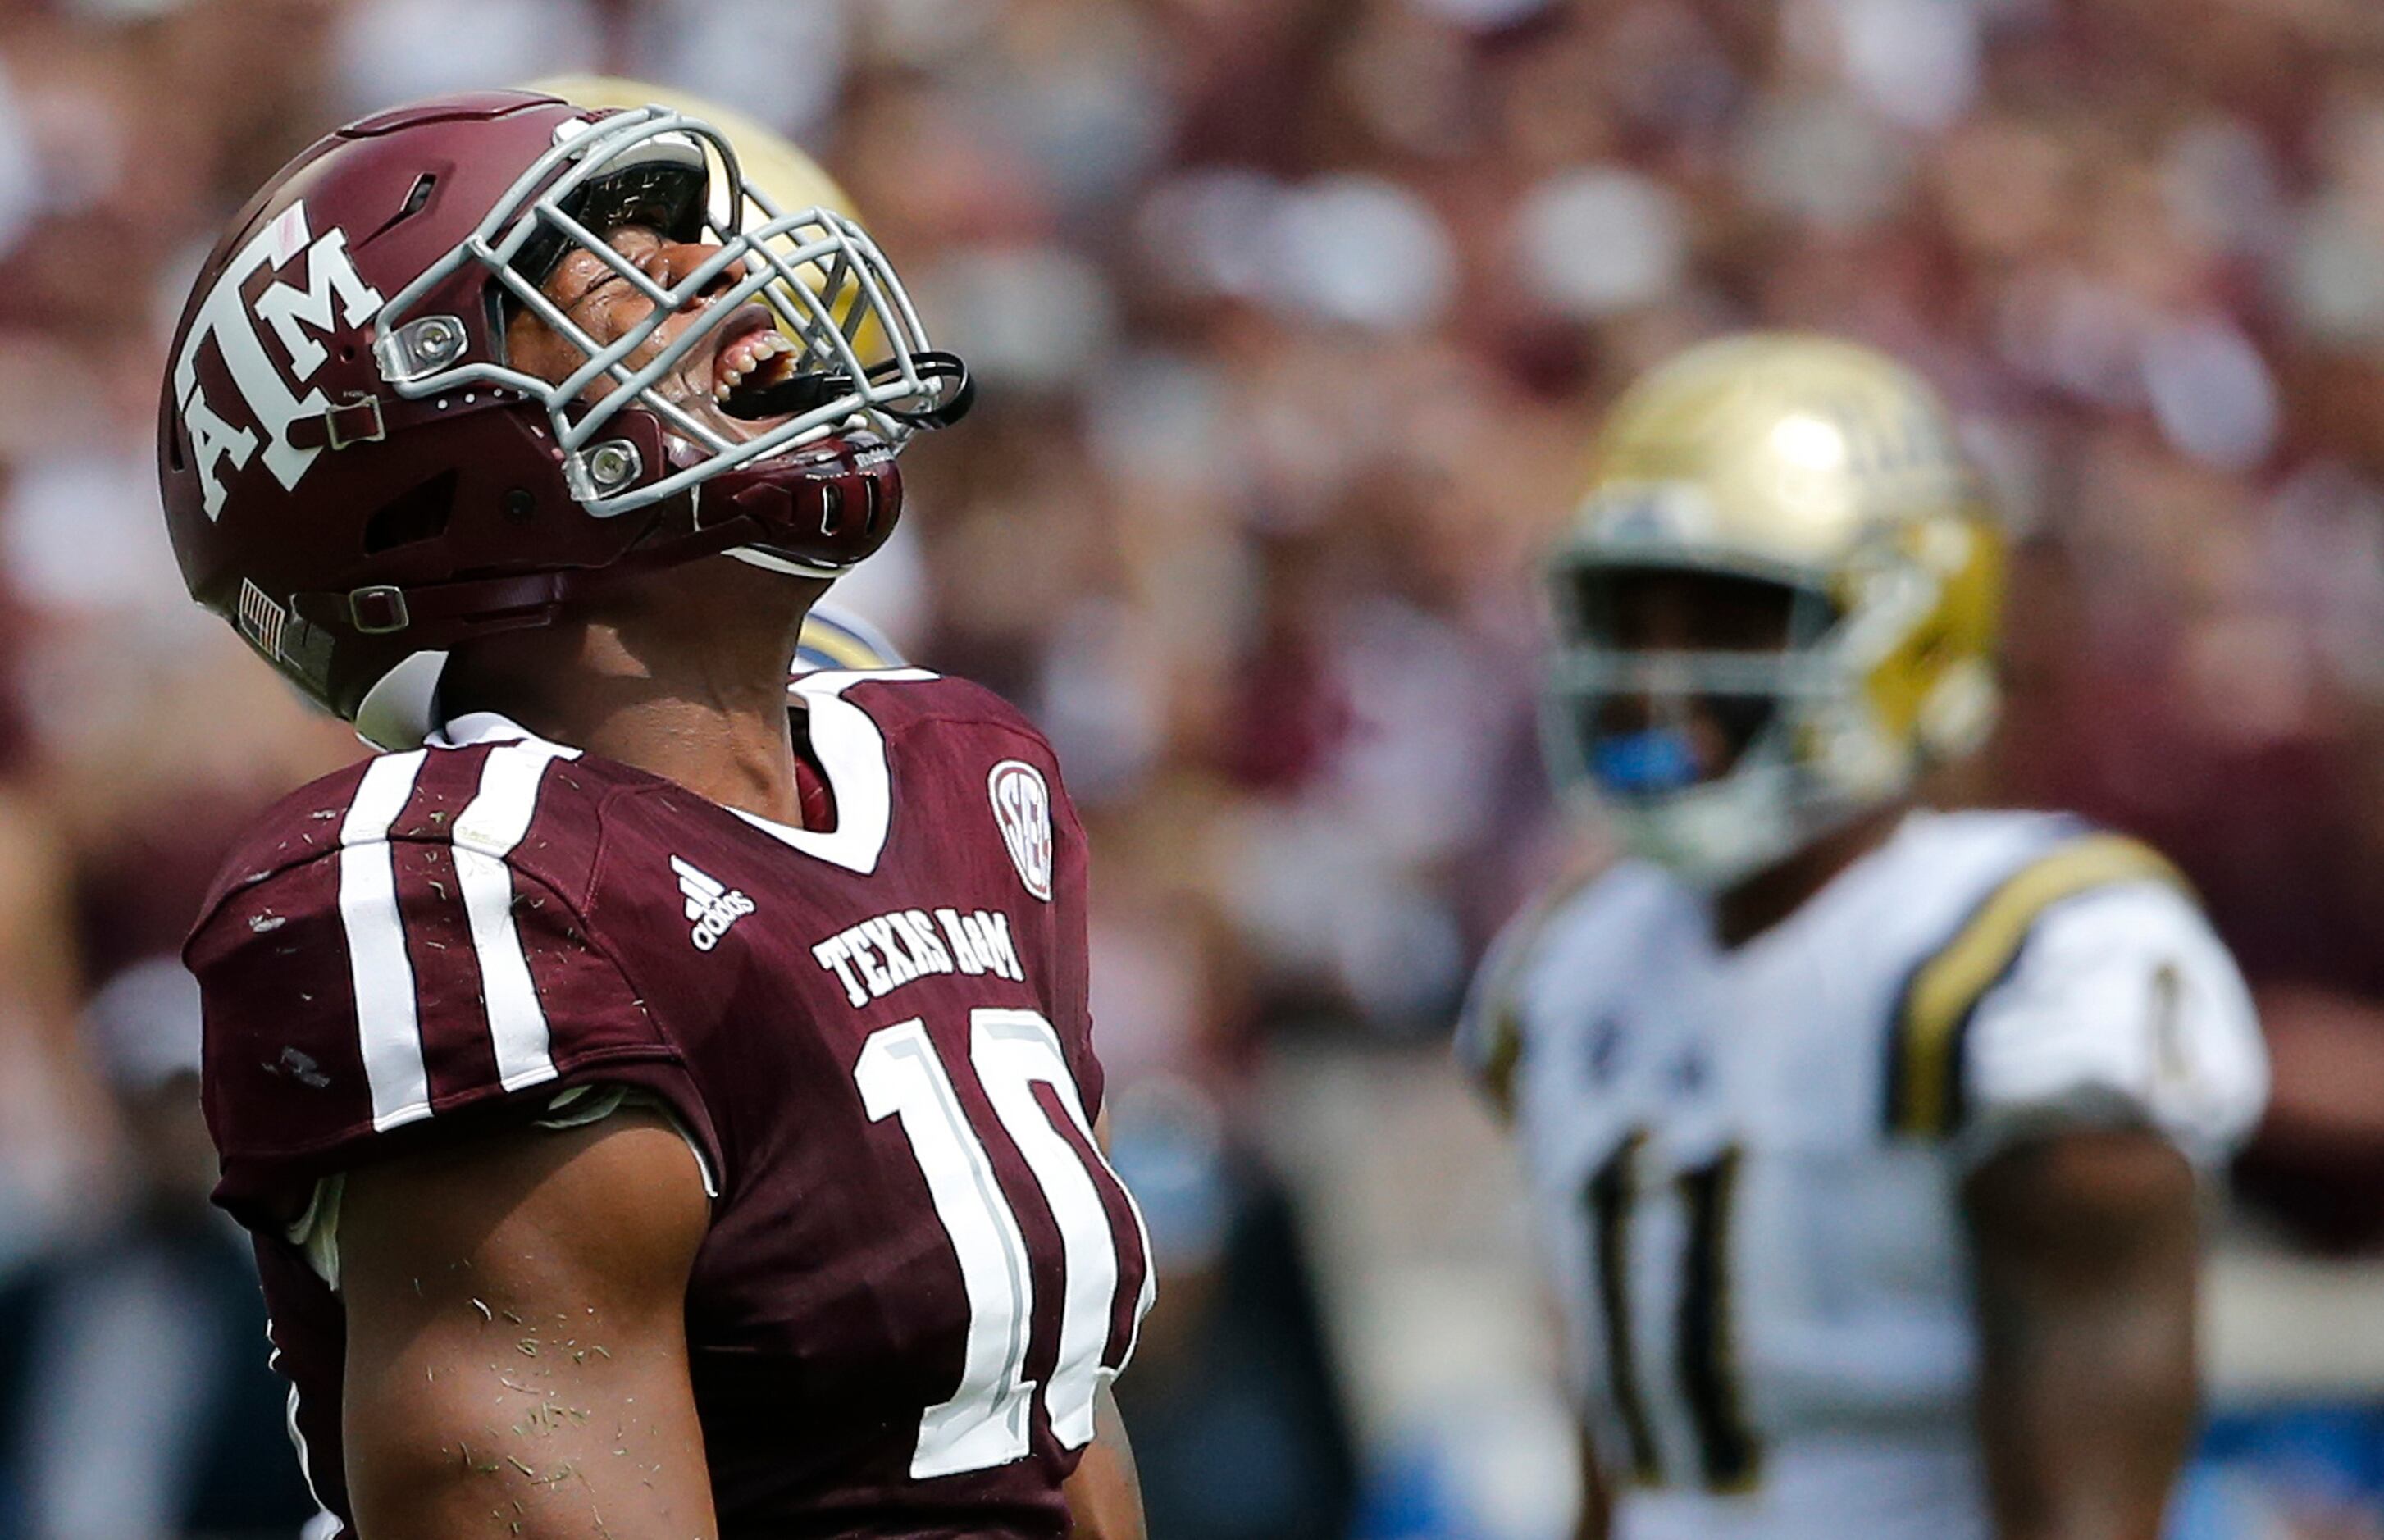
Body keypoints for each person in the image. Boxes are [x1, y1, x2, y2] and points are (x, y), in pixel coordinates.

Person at [158, 85, 1151, 1540]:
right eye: (610, 271)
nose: (723, 278)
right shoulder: (470, 882)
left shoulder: (959, 768)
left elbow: (1051, 1424)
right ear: (413, 454)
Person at [1457, 335, 2268, 1540]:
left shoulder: (2028, 962)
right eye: (1630, 613)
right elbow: (1626, 1439)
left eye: (1729, 612)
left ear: (1911, 622)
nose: (1653, 679)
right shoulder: (1571, 964)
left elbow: (2091, 1506)